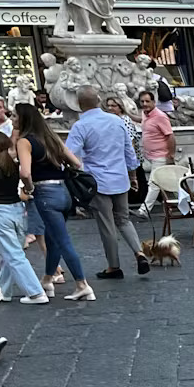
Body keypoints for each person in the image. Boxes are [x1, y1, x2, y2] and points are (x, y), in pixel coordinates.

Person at [65, 86, 145, 277]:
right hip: (120, 177)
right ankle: (139, 252)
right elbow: (129, 151)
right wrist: (133, 176)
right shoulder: (116, 121)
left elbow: (69, 154)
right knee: (124, 219)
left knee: (106, 224)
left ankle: (114, 266)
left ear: (78, 104)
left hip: (97, 180)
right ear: (99, 100)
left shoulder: (80, 126)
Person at [15, 105, 84, 300]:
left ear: (23, 119)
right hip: (64, 192)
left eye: (15, 115)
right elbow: (76, 163)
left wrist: (29, 188)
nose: (12, 119)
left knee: (62, 241)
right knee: (52, 238)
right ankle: (47, 279)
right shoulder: (51, 137)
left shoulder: (25, 141)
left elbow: (25, 172)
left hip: (45, 192)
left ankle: (82, 284)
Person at [0, 134, 41, 302]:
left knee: (12, 254)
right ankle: (2, 291)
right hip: (17, 210)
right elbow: (23, 189)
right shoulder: (14, 166)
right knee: (9, 254)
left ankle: (35, 292)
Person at [134, 89, 174, 214]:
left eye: (147, 101)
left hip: (160, 155)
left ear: (154, 102)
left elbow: (170, 136)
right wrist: (127, 114)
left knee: (154, 183)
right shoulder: (145, 114)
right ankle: (180, 204)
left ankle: (144, 211)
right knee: (166, 182)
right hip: (150, 155)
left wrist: (171, 154)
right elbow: (140, 119)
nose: (145, 103)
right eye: (142, 101)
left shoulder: (160, 116)